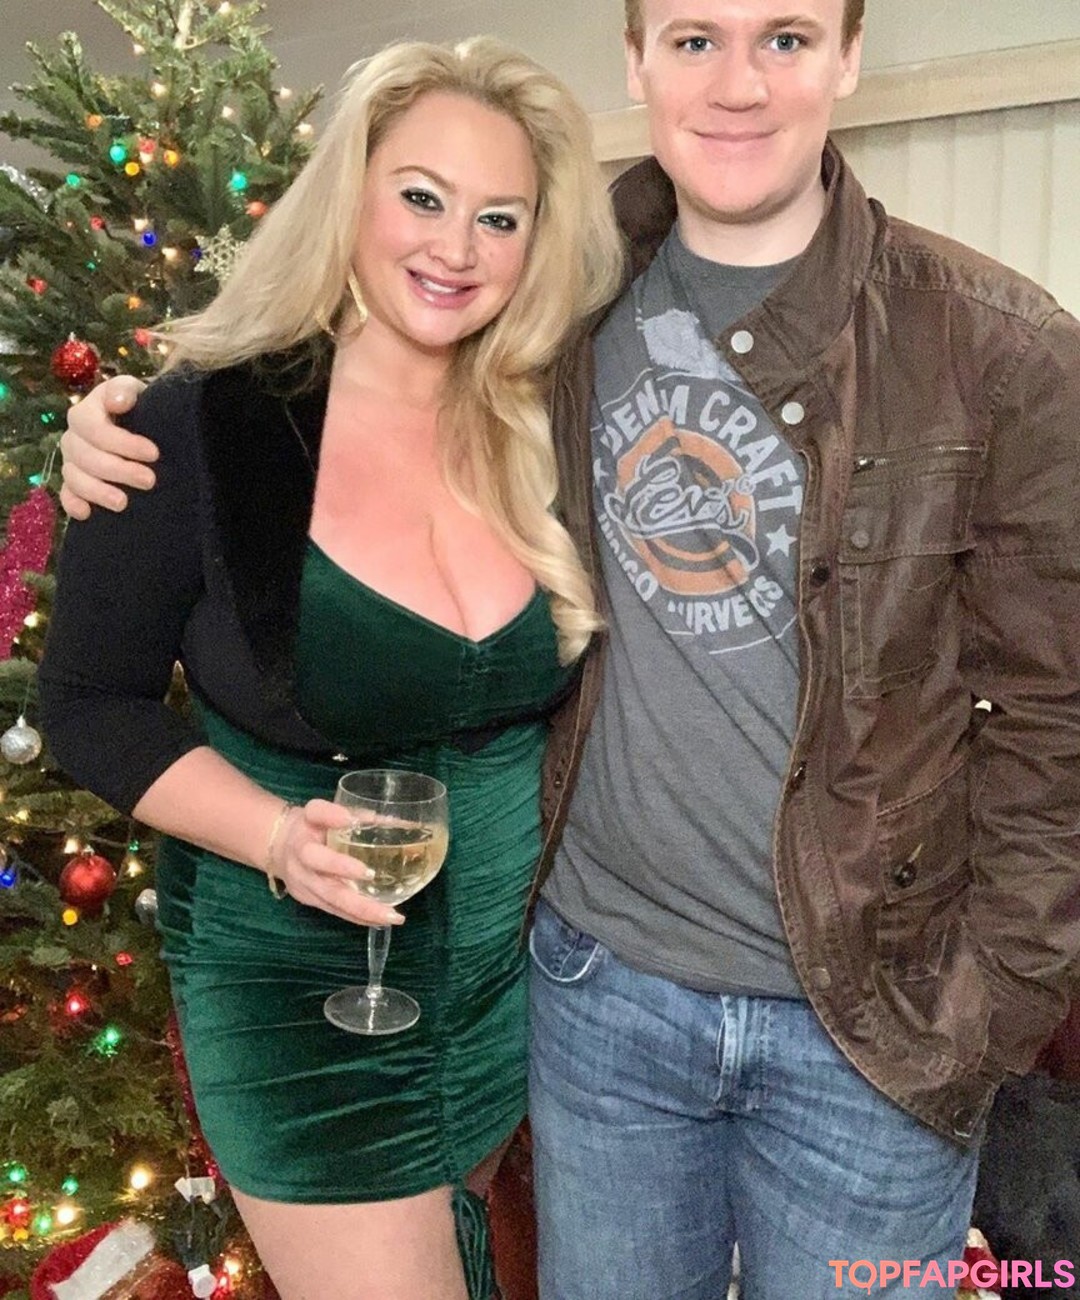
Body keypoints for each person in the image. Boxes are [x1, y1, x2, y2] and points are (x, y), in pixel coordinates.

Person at [56, 1, 1080, 1297]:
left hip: (845, 1028)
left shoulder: (988, 346)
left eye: (786, 37)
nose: (739, 84)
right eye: (694, 38)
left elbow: (1051, 713)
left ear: (850, 57)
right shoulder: (564, 319)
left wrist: (987, 1012)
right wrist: (106, 424)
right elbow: (121, 651)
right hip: (586, 1006)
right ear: (637, 59)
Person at [39, 35, 621, 1300]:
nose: (456, 247)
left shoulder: (549, 418)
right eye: (421, 196)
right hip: (297, 991)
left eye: (500, 216)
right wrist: (273, 837)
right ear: (350, 194)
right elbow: (85, 704)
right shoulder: (196, 424)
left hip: (508, 990)